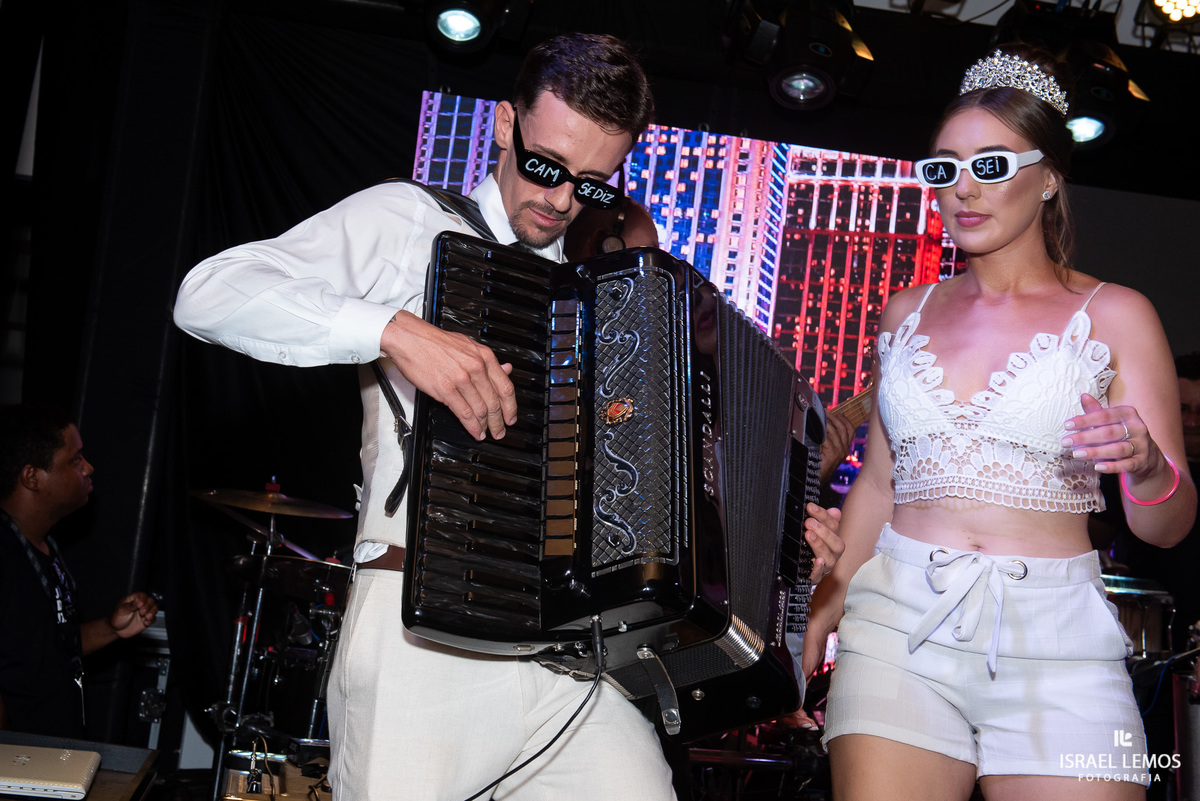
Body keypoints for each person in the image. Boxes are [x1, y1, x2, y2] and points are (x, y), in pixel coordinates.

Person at [175, 33, 844, 800]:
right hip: (420, 650)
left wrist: (779, 558)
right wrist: (394, 329)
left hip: (568, 663)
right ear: (504, 125)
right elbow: (210, 293)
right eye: (545, 166)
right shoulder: (411, 221)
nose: (560, 198)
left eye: (591, 184)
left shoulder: (607, 307)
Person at [802, 44, 1196, 801]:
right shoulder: (906, 310)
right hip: (897, 634)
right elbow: (881, 484)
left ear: (1048, 178)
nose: (963, 190)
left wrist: (1146, 467)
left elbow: (1167, 528)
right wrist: (828, 600)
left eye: (991, 165)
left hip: (1060, 647)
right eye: (944, 168)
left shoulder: (1116, 313)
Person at [0, 404, 159, 737]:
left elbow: (47, 649)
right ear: (32, 477)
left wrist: (111, 629)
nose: (88, 468)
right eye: (75, 460)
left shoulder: (44, 546)